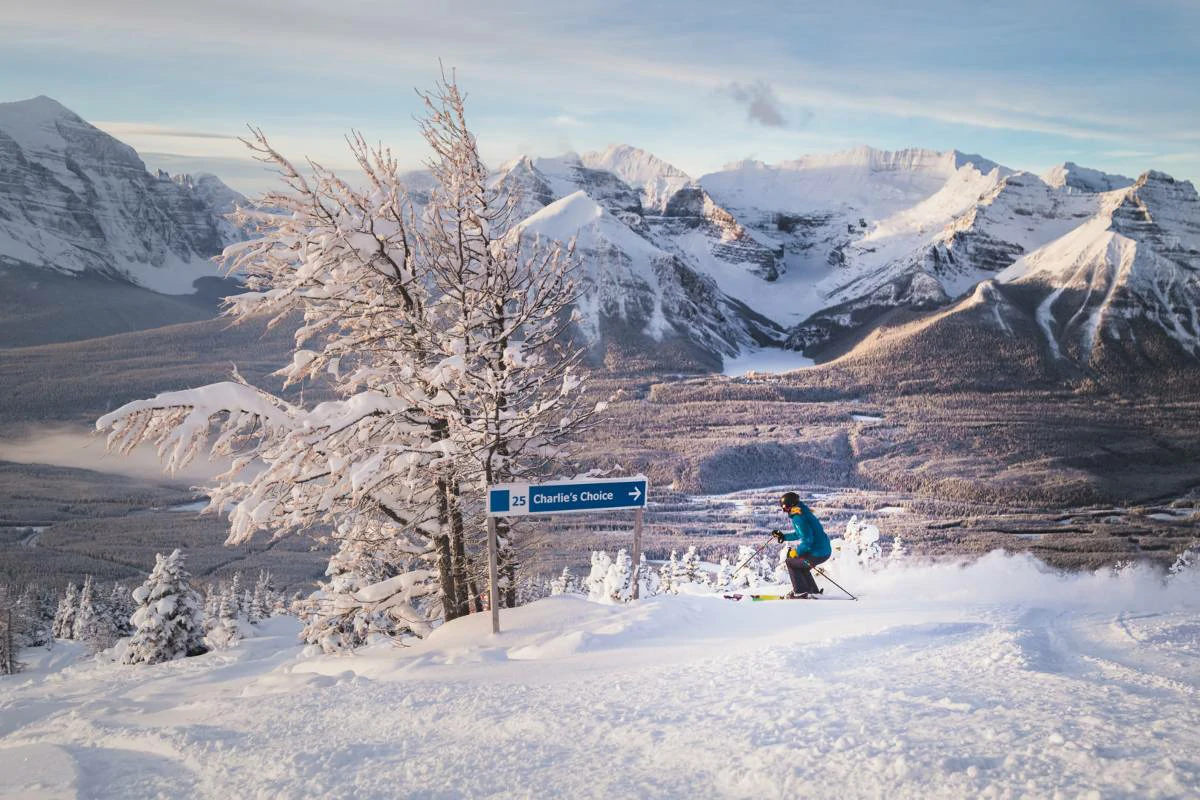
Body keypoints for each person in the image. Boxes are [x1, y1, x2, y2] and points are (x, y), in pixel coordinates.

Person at [772, 491, 833, 598]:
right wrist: (784, 536)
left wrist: (796, 552)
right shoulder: (802, 512)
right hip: (822, 550)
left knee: (790, 562)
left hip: (818, 551)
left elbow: (807, 540)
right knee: (801, 565)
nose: (783, 510)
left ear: (791, 505)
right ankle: (812, 592)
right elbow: (800, 534)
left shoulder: (798, 518)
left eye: (785, 507)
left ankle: (800, 592)